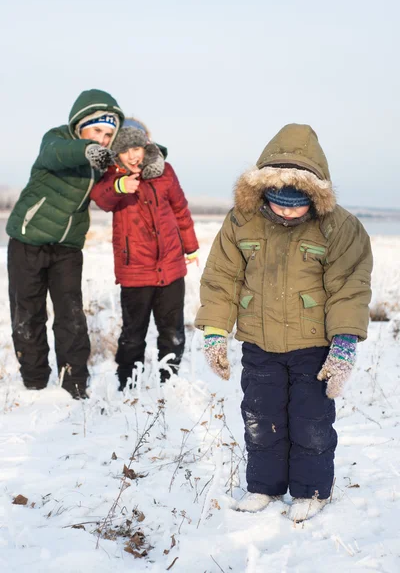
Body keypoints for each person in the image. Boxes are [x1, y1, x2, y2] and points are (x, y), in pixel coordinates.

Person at [195, 123, 373, 521]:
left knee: (311, 422)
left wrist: (344, 343)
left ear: (315, 196)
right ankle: (264, 487)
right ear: (263, 193)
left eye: (297, 204)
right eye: (279, 202)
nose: (288, 212)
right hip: (259, 345)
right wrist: (214, 332)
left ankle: (312, 491)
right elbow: (221, 278)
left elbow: (349, 287)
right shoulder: (242, 222)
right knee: (261, 419)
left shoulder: (339, 228)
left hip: (314, 347)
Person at [7, 89, 124, 398]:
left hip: (68, 247)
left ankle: (74, 383)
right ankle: (34, 382)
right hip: (28, 240)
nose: (103, 138)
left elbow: (120, 174)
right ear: (79, 125)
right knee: (28, 313)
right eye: (97, 130)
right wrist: (86, 150)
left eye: (109, 133)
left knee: (71, 315)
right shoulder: (55, 139)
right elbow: (56, 153)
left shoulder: (103, 161)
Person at [91, 120, 199, 389]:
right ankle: (127, 384)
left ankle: (169, 382)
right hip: (135, 271)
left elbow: (180, 210)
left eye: (136, 147)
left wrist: (191, 246)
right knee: (133, 334)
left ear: (146, 146)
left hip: (171, 267)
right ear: (117, 152)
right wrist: (119, 186)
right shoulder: (112, 176)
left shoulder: (165, 171)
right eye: (125, 150)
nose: (132, 155)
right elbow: (101, 199)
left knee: (172, 332)